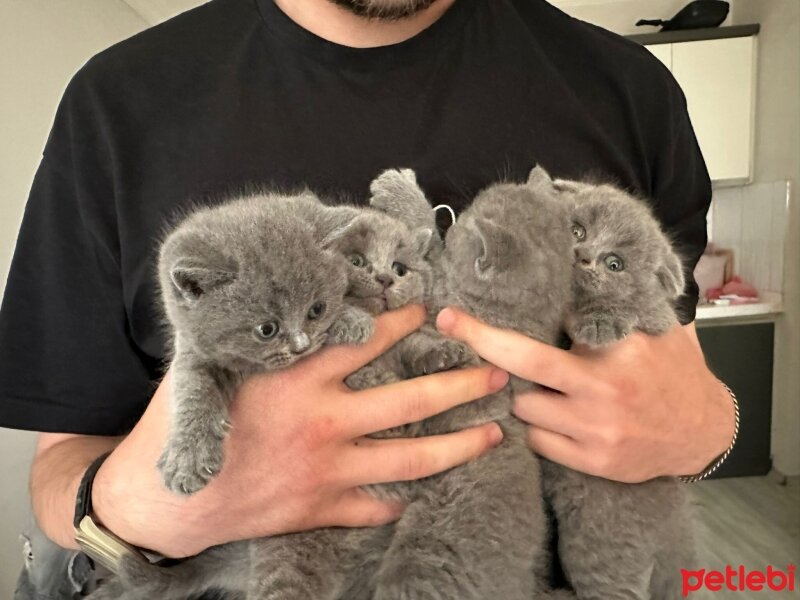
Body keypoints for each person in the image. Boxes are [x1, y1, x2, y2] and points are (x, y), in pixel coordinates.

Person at [0, 0, 735, 581]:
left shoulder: (631, 92)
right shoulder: (118, 104)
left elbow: (673, 387)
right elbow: (62, 463)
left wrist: (711, 429)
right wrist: (143, 507)